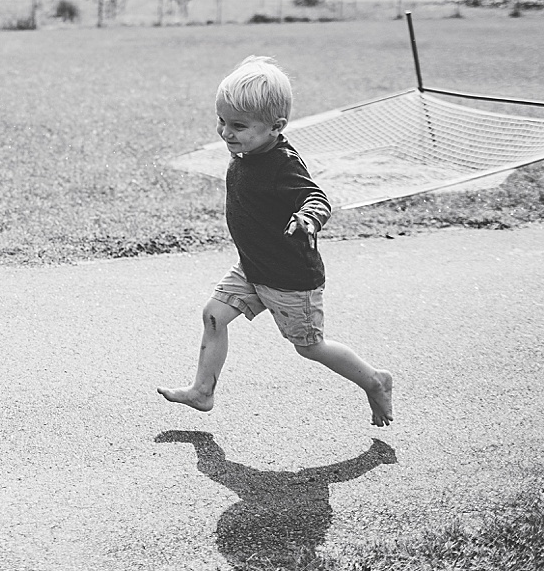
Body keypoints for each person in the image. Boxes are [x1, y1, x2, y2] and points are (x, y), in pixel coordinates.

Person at [157, 56, 393, 426]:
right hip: (254, 267)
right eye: (221, 121)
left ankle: (375, 381)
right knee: (214, 315)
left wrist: (307, 218)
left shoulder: (283, 163)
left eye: (238, 125)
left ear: (275, 127)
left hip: (289, 277)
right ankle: (203, 391)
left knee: (310, 347)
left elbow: (316, 198)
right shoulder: (248, 151)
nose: (226, 133)